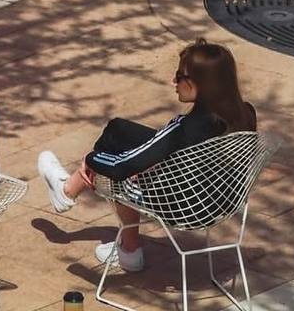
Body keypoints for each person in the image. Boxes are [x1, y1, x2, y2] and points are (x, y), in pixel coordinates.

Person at [36, 39, 256, 273]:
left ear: (200, 84)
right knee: (118, 129)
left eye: (180, 76)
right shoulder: (245, 113)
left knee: (111, 159)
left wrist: (91, 159)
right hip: (216, 201)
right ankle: (117, 237)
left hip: (180, 205)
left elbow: (123, 167)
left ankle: (72, 194)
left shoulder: (183, 128)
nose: (174, 81)